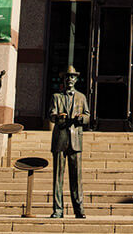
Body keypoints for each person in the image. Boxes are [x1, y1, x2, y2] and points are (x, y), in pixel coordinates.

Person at [49, 66, 89, 218]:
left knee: (76, 178)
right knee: (58, 178)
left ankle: (79, 210)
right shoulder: (56, 97)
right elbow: (51, 115)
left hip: (75, 140)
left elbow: (87, 116)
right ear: (64, 80)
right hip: (60, 139)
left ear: (76, 80)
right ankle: (58, 210)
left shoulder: (81, 97)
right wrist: (58, 117)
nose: (69, 80)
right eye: (67, 77)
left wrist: (81, 118)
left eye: (72, 77)